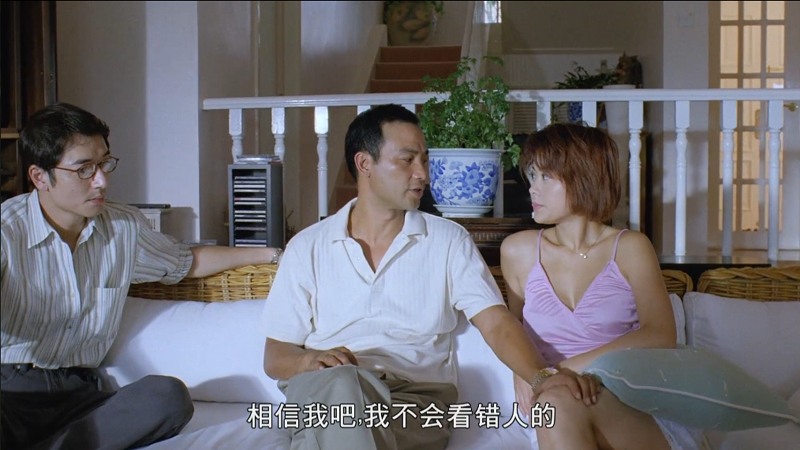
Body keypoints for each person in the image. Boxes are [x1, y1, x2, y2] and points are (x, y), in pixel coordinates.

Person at [261, 104, 599, 450]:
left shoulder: (448, 241)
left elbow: (496, 323)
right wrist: (308, 360)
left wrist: (542, 377)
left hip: (415, 403)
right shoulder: (308, 247)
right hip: (326, 390)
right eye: (407, 160)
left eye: (424, 160)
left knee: (329, 432)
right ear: (365, 164)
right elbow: (275, 356)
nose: (422, 174)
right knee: (342, 388)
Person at [0, 102, 283, 450]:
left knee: (167, 397)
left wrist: (272, 254)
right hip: (11, 391)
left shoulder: (123, 228)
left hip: (80, 395)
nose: (101, 180)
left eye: (104, 164)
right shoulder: (7, 232)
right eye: (84, 169)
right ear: (39, 176)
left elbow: (186, 261)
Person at [500, 123, 704, 449]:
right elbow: (513, 329)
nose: (533, 189)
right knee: (556, 404)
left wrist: (561, 371)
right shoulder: (518, 251)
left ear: (583, 177)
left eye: (546, 177)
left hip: (626, 402)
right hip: (553, 406)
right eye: (532, 175)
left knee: (557, 399)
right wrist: (526, 373)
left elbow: (660, 334)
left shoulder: (630, 248)